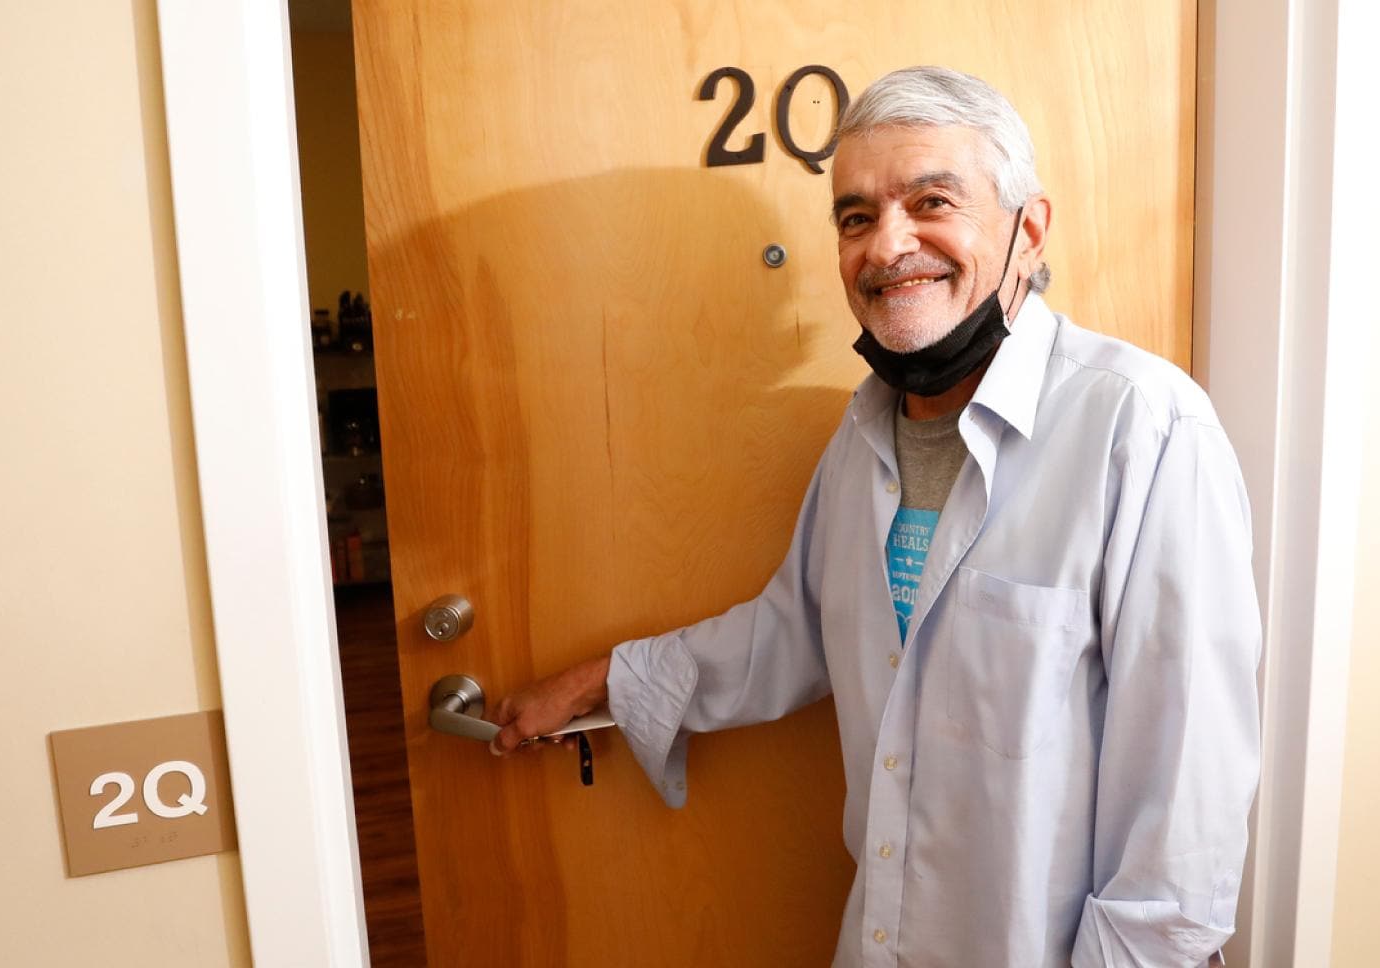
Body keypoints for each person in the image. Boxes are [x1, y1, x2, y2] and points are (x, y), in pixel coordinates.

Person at [489, 66, 1261, 968]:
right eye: (857, 217)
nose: (887, 246)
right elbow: (797, 633)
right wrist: (597, 684)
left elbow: (1188, 794)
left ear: (1028, 228)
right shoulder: (863, 436)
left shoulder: (1141, 429)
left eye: (932, 200)